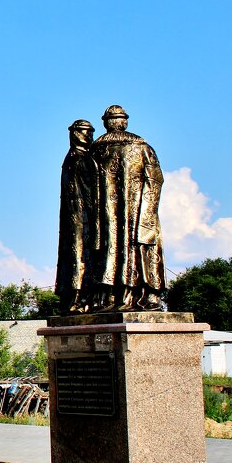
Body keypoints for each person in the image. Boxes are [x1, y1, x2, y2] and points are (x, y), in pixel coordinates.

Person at [89, 105, 166, 310]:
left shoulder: (96, 151)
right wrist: (148, 211)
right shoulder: (144, 148)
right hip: (140, 213)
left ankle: (112, 297)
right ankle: (146, 295)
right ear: (125, 122)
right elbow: (155, 181)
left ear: (106, 123)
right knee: (143, 251)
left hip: (108, 217)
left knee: (110, 250)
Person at [56, 119, 98, 312]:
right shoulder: (78, 158)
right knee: (80, 255)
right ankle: (80, 298)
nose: (88, 136)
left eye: (90, 132)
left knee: (77, 254)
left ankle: (78, 298)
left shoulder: (74, 157)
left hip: (75, 217)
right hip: (81, 218)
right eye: (83, 132)